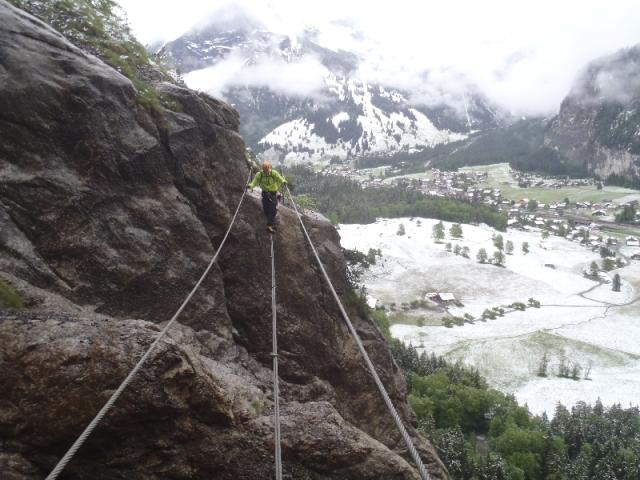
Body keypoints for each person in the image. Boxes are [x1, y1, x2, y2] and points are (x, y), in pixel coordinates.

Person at [247, 160, 287, 233]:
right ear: (263, 169)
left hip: (273, 194)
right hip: (265, 194)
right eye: (265, 170)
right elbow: (254, 182)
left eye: (267, 170)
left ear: (269, 168)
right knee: (266, 209)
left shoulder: (273, 173)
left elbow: (279, 178)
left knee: (271, 209)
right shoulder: (260, 174)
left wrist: (283, 181)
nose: (266, 172)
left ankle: (270, 226)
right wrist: (250, 186)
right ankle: (271, 219)